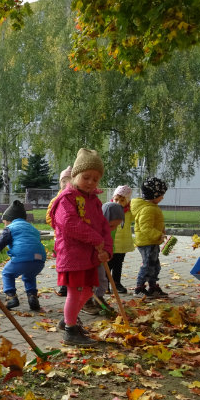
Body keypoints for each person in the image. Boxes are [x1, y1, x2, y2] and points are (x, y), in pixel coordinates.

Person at [49, 148, 112, 346]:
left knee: (88, 290)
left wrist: (107, 249)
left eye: (95, 179)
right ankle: (70, 330)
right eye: (86, 177)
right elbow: (69, 223)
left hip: (90, 257)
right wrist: (95, 239)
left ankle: (68, 320)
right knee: (75, 291)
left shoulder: (94, 201)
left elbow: (104, 227)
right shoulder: (66, 198)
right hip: (72, 255)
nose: (91, 182)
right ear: (75, 175)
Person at [0, 200, 47, 311]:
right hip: (40, 259)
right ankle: (33, 298)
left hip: (22, 257)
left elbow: (0, 243)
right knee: (29, 276)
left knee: (7, 273)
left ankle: (11, 297)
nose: (4, 225)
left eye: (4, 223)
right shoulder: (33, 228)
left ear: (9, 220)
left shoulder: (10, 228)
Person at [82, 202, 124, 315]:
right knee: (88, 282)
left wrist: (107, 253)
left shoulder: (109, 230)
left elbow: (109, 243)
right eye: (111, 226)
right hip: (88, 261)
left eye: (117, 226)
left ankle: (99, 298)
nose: (113, 228)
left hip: (100, 260)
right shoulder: (93, 228)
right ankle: (86, 301)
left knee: (102, 279)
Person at [131, 177, 169, 298]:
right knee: (147, 266)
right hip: (147, 242)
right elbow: (145, 228)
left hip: (152, 242)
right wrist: (158, 234)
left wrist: (161, 230)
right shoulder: (147, 209)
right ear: (154, 195)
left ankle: (152, 287)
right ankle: (139, 288)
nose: (162, 197)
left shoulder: (152, 207)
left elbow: (154, 223)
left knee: (154, 266)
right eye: (161, 195)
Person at [46, 166, 72, 297]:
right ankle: (63, 285)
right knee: (62, 261)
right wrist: (58, 227)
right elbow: (49, 216)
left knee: (72, 260)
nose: (66, 183)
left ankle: (70, 284)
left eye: (69, 180)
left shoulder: (75, 198)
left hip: (73, 237)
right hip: (60, 236)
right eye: (63, 181)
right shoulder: (55, 200)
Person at [108, 185, 134, 294]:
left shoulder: (128, 212)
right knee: (108, 264)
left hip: (122, 243)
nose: (118, 202)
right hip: (111, 243)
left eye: (122, 200)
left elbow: (135, 216)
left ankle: (116, 283)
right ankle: (105, 284)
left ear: (127, 201)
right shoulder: (109, 209)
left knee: (118, 264)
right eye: (116, 199)